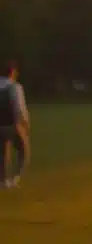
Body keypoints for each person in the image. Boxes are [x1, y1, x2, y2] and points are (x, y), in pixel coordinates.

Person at [0, 61, 30, 189]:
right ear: (12, 72)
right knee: (24, 150)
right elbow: (19, 108)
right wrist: (26, 123)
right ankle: (14, 178)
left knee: (3, 154)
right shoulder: (14, 87)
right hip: (11, 124)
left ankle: (3, 180)